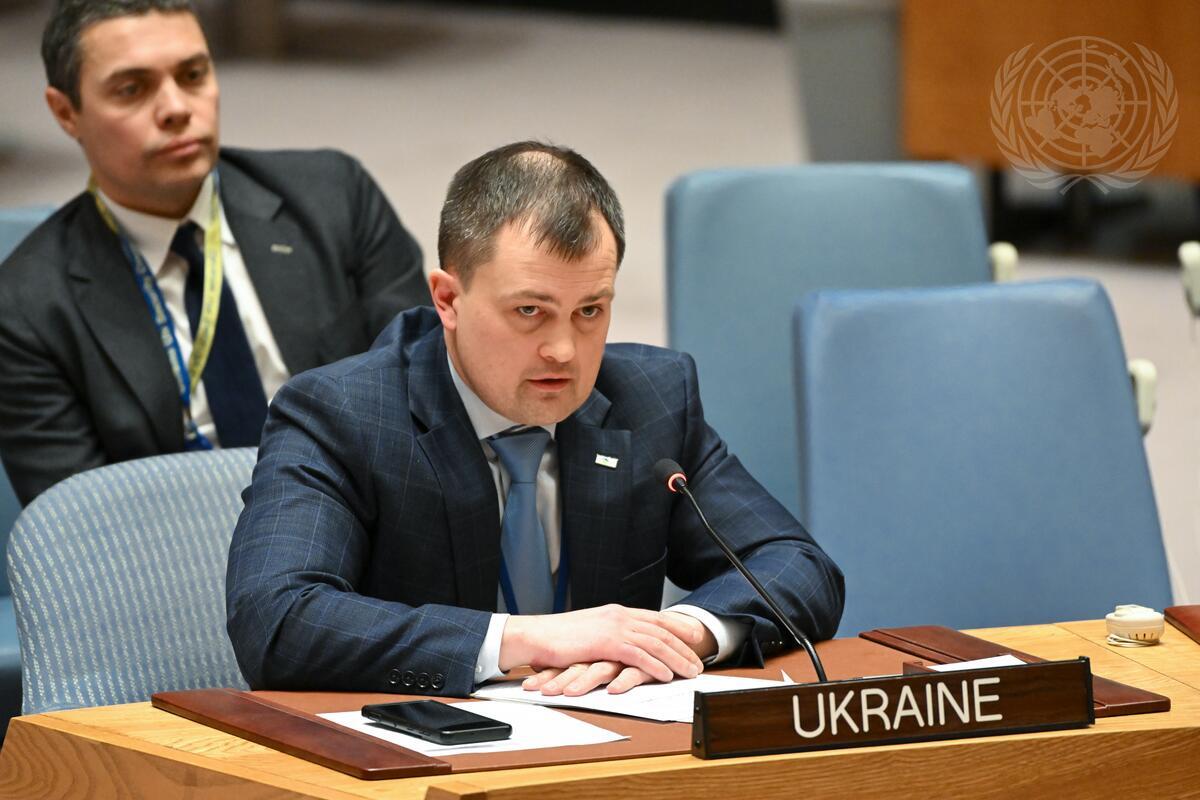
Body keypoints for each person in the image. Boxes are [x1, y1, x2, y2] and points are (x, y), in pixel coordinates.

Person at [226, 142, 844, 698]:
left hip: (614, 745)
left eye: (590, 311)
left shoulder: (650, 399)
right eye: (530, 311)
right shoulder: (343, 414)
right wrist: (527, 639)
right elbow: (275, 618)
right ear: (447, 299)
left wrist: (681, 632)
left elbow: (796, 564)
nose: (564, 351)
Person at [0, 0, 429, 505]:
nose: (177, 108)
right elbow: (79, 523)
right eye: (132, 89)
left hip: (363, 520)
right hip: (170, 545)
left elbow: (423, 402)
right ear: (66, 112)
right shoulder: (26, 308)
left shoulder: (336, 198)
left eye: (193, 75)